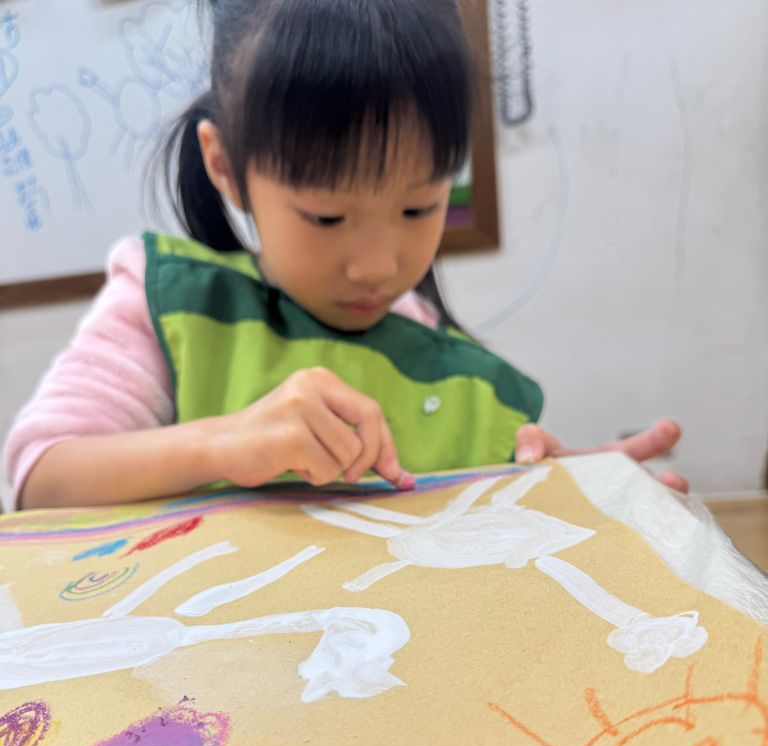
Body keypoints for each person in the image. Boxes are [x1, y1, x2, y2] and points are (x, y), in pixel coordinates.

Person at [4, 0, 687, 511]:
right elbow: (39, 479)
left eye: (419, 207)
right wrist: (223, 442)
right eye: (326, 216)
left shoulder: (444, 363)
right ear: (226, 167)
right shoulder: (170, 307)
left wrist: (555, 487)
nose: (377, 267)